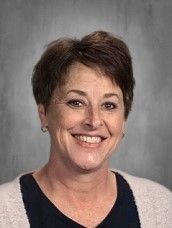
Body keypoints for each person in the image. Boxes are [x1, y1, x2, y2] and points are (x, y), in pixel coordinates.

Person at [0, 31, 171, 228]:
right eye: (76, 102)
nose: (94, 121)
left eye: (109, 105)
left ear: (123, 120)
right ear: (44, 113)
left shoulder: (162, 208)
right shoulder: (4, 213)